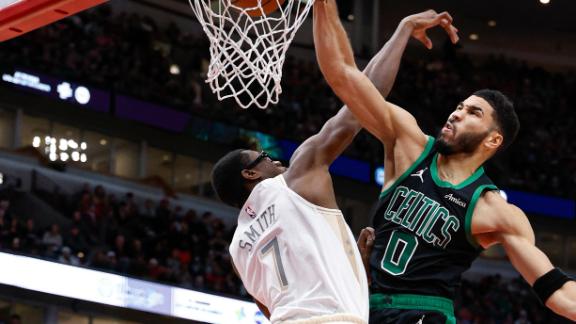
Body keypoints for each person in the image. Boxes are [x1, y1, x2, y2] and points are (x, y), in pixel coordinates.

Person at [312, 1, 576, 323]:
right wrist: (323, 5)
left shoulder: (493, 210)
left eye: (473, 113)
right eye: (460, 106)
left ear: (493, 140)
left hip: (426, 313)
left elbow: (557, 292)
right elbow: (341, 72)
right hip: (368, 306)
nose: (456, 113)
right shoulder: (409, 145)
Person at [211, 10, 459, 324]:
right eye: (263, 158)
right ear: (250, 174)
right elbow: (363, 98)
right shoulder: (295, 176)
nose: (275, 160)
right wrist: (403, 29)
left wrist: (350, 261)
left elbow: (274, 306)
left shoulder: (237, 249)